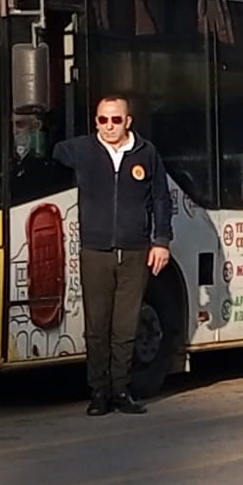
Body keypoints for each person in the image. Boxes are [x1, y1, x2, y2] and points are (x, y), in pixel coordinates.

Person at [53, 96, 173, 416]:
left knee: (125, 326)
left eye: (115, 120)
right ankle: (98, 393)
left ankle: (121, 391)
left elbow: (161, 199)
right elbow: (48, 151)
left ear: (128, 121)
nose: (109, 126)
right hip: (96, 250)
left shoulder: (146, 153)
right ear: (95, 122)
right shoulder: (82, 150)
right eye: (103, 120)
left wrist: (161, 241)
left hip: (135, 251)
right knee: (97, 326)